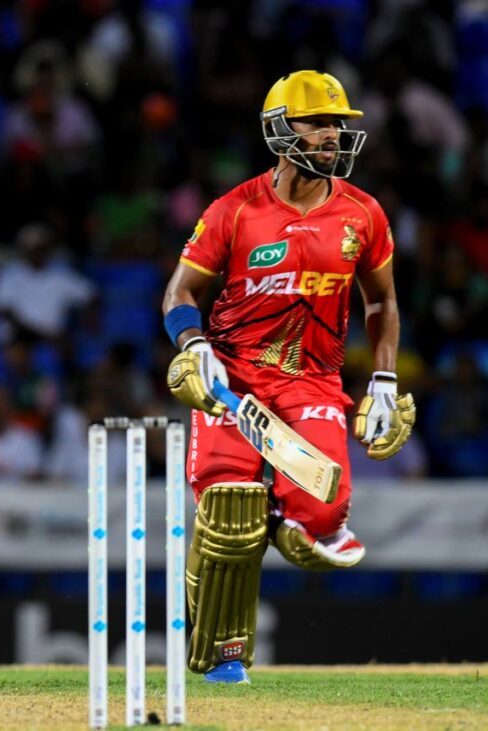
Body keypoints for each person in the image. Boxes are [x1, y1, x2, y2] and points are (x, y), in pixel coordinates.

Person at [161, 70, 416, 685]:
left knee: (325, 516)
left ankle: (271, 521)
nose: (333, 135)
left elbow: (380, 302)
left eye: (339, 124)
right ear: (280, 130)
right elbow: (179, 292)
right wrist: (195, 347)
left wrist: (382, 381)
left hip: (313, 384)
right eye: (320, 123)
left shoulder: (363, 214)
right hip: (234, 380)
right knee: (226, 507)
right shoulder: (235, 210)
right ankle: (222, 656)